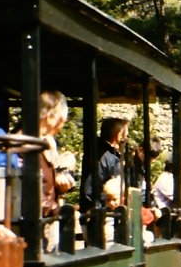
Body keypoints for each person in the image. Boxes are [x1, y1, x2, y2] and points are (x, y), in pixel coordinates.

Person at [38, 91, 76, 251]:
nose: (61, 127)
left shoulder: (47, 142)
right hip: (36, 224)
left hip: (46, 221)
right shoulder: (28, 143)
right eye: (61, 120)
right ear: (50, 117)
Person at [79, 116, 128, 214]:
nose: (127, 135)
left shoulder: (112, 155)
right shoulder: (103, 157)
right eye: (125, 132)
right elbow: (90, 189)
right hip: (103, 214)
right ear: (118, 134)